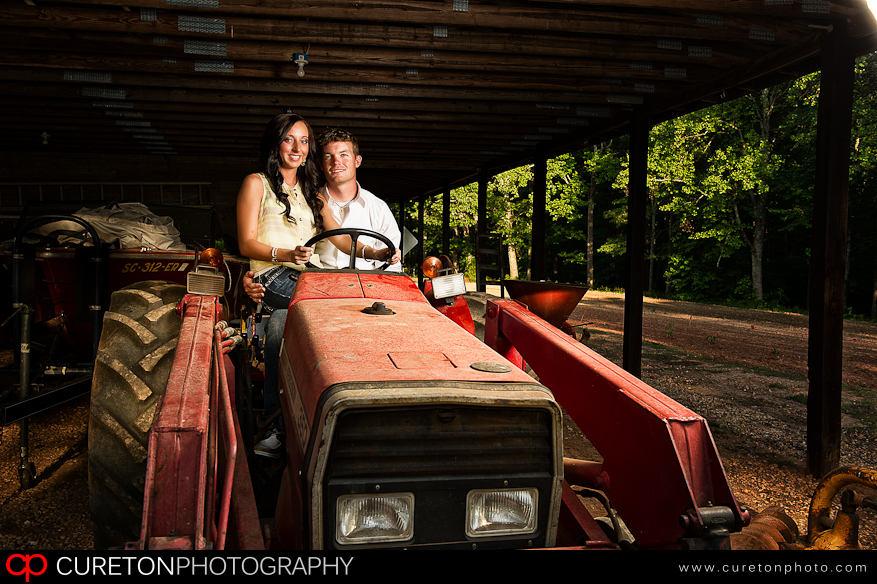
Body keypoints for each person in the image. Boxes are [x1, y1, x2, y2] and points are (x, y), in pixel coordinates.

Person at [237, 116, 396, 459]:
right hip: (274, 274)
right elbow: (246, 242)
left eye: (304, 141)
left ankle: (338, 409)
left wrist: (374, 251)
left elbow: (339, 237)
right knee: (340, 309)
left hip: (311, 277)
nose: (297, 148)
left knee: (285, 323)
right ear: (275, 143)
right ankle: (279, 426)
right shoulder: (257, 184)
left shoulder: (312, 193)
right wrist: (285, 253)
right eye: (289, 140)